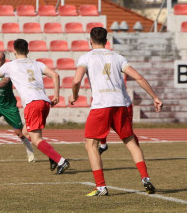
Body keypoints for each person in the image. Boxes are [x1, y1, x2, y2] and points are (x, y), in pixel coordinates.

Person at [68, 26, 164, 196]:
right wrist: (155, 97)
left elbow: (76, 81)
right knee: (130, 141)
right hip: (121, 104)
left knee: (91, 144)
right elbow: (139, 77)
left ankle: (101, 187)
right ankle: (145, 178)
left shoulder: (86, 57)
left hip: (101, 105)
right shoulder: (117, 57)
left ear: (90, 40)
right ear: (106, 41)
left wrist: (74, 96)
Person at [0, 39, 70, 174]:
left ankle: (61, 161)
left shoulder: (9, 65)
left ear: (14, 51)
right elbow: (55, 75)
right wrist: (56, 95)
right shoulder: (37, 64)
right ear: (28, 51)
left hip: (32, 103)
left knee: (36, 139)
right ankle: (52, 157)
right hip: (44, 102)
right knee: (24, 133)